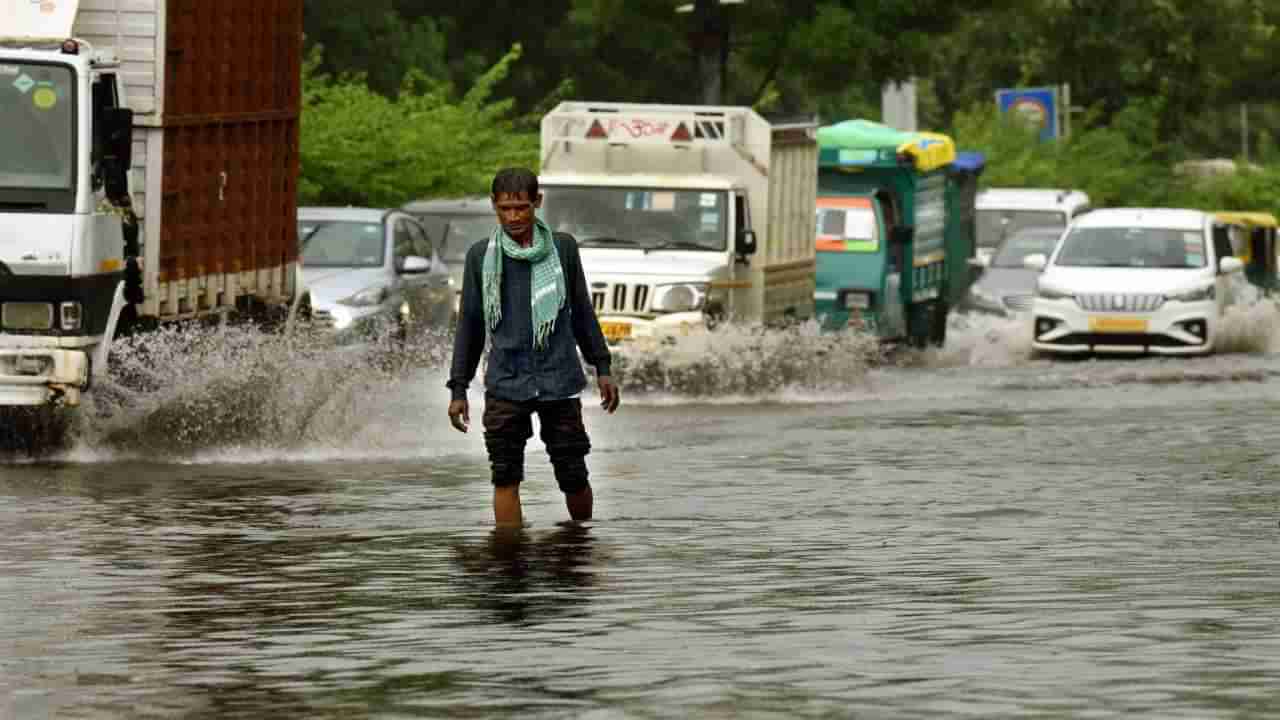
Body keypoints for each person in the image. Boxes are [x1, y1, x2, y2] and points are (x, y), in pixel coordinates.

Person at [447, 167, 620, 528]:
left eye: (522, 207)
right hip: (506, 383)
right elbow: (471, 324)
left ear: (537, 203)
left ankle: (579, 548)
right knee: (505, 475)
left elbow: (581, 312)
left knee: (572, 472)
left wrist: (602, 367)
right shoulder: (481, 257)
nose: (514, 217)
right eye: (506, 209)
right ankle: (509, 562)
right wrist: (458, 388)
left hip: (559, 380)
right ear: (494, 206)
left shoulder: (563, 249)